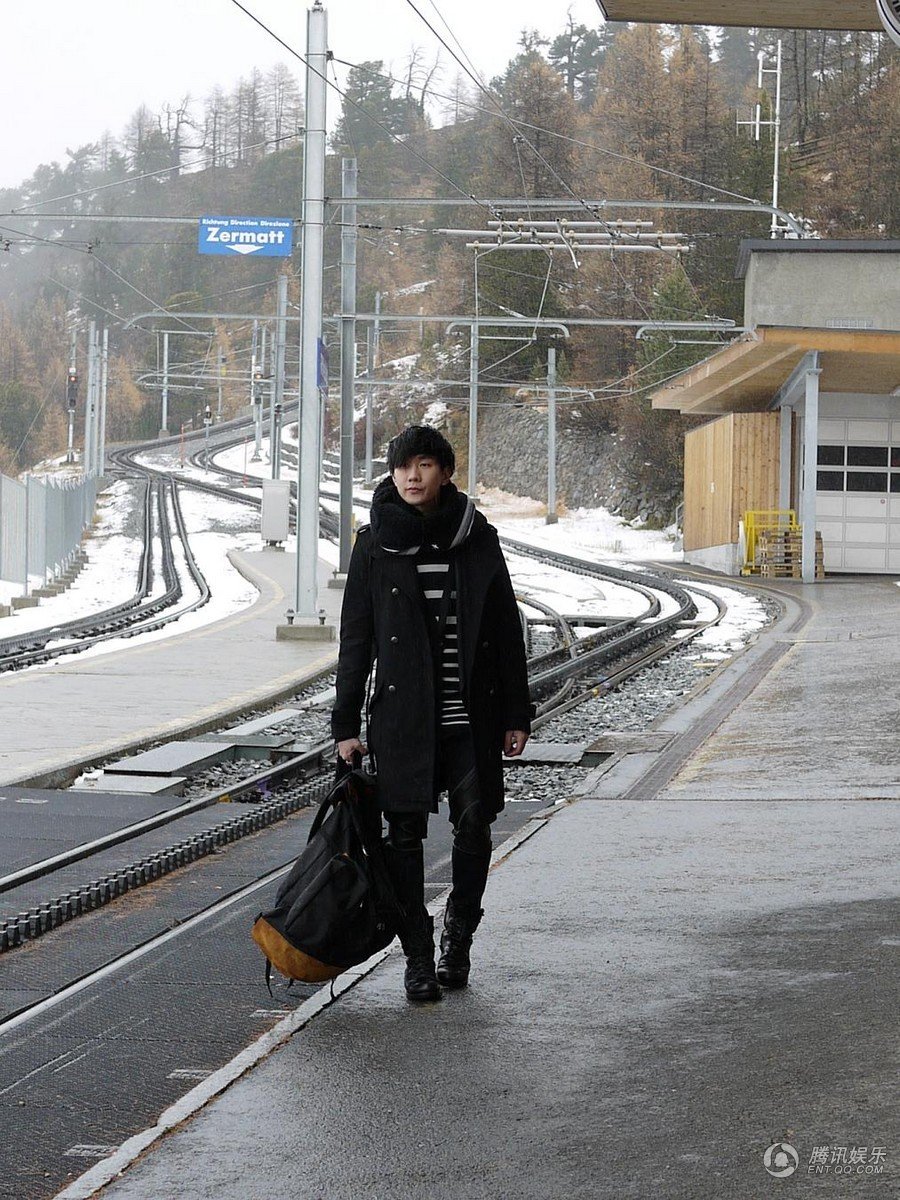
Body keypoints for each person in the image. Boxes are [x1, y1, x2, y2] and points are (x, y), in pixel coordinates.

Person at [331, 425, 533, 1002]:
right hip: (402, 721)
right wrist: (345, 727)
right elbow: (356, 640)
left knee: (474, 827)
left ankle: (459, 938)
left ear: (445, 472)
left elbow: (503, 630)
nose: (413, 477)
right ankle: (417, 954)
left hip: (472, 717)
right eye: (403, 467)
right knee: (405, 839)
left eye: (424, 465)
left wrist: (518, 712)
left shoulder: (478, 538)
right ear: (392, 475)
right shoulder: (374, 545)